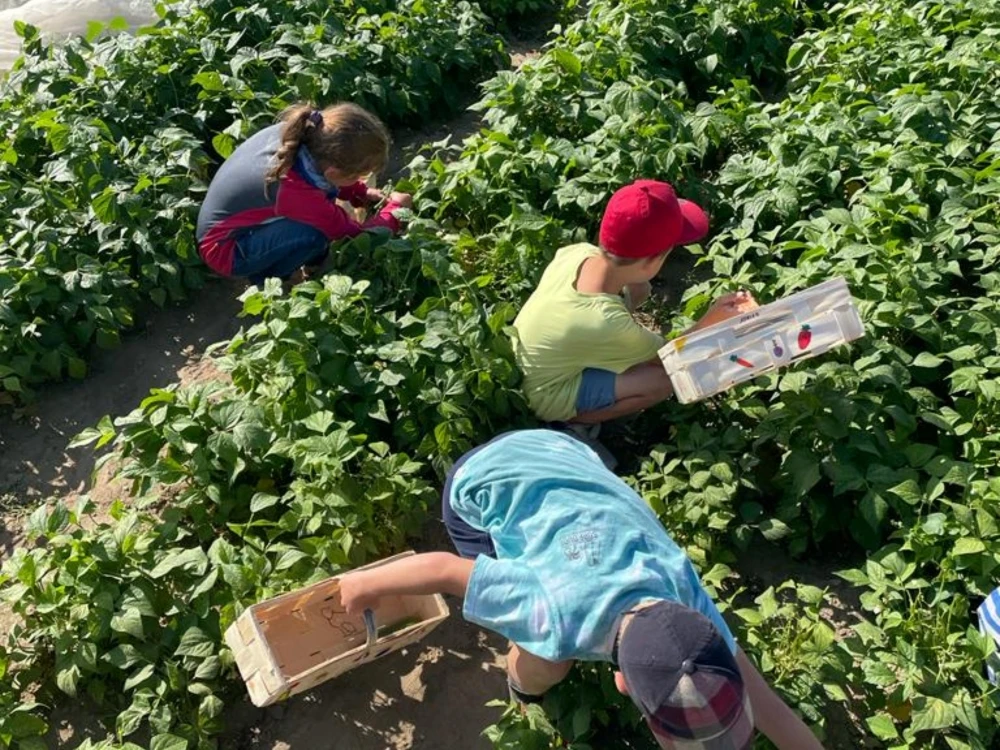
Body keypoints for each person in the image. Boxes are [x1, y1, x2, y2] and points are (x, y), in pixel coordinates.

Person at [338, 430, 824, 750]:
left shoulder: (685, 602)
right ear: (622, 684)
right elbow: (445, 570)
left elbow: (772, 709)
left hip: (564, 452)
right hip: (479, 484)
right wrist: (363, 584)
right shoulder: (555, 611)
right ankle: (520, 687)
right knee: (548, 661)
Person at [512, 179, 758, 426]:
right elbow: (668, 358)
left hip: (528, 362)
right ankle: (574, 422)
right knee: (661, 381)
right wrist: (712, 318)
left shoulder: (577, 252)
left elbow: (607, 311)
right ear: (651, 263)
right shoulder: (607, 322)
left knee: (634, 303)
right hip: (545, 395)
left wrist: (633, 294)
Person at [196, 102, 412, 285]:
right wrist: (394, 214)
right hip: (225, 251)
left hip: (225, 229)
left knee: (318, 215)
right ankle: (268, 279)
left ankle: (309, 262)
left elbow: (330, 180)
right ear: (334, 172)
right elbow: (352, 235)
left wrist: (361, 192)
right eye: (358, 176)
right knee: (315, 235)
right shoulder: (294, 190)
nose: (360, 179)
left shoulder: (302, 135)